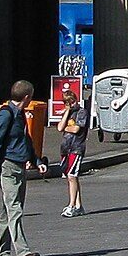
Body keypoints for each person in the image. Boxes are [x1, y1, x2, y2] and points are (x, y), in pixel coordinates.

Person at [0, 80, 40, 256]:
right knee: (14, 209)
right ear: (27, 97)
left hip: (19, 166)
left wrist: (36, 160)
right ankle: (23, 252)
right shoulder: (5, 115)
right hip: (8, 167)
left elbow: (25, 140)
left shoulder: (20, 115)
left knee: (7, 212)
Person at [57, 86, 90, 216]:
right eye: (68, 103)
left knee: (72, 176)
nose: (72, 105)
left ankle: (71, 205)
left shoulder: (82, 112)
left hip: (76, 147)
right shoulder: (69, 113)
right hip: (66, 147)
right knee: (71, 178)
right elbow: (60, 128)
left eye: (73, 102)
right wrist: (66, 113)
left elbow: (77, 129)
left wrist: (66, 128)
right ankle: (78, 205)